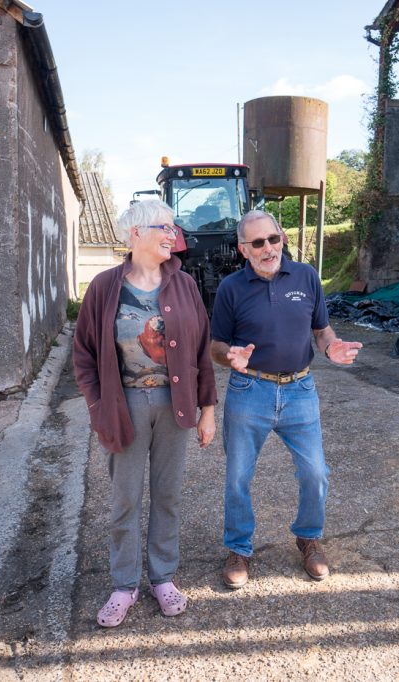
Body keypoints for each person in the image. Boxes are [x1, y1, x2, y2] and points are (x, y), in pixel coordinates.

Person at [72, 199, 216, 627]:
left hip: (176, 406)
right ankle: (123, 585)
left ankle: (163, 578)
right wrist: (98, 406)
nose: (172, 235)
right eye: (163, 227)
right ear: (135, 234)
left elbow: (201, 352)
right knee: (125, 500)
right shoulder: (103, 287)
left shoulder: (185, 285)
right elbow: (83, 355)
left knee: (168, 496)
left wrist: (208, 410)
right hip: (125, 405)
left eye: (174, 228)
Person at [210, 209, 362, 588]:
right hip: (250, 391)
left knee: (315, 472)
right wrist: (228, 357)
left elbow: (322, 329)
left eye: (274, 239)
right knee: (238, 478)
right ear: (244, 249)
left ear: (282, 238)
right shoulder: (231, 287)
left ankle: (308, 537)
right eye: (257, 243)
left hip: (300, 390)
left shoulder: (307, 276)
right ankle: (239, 549)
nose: (268, 248)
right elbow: (215, 345)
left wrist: (332, 348)